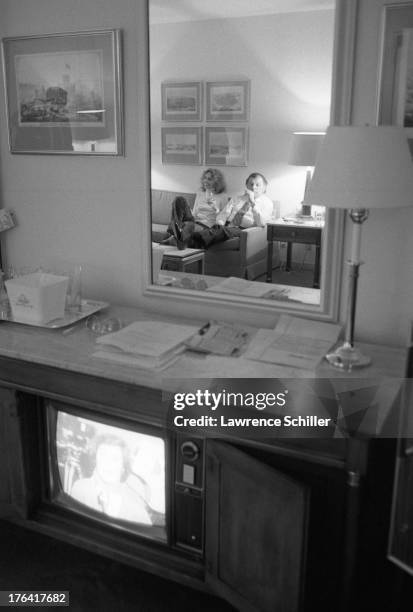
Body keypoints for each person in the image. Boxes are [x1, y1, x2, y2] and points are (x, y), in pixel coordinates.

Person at [70, 433, 152, 525]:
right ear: (95, 459)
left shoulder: (135, 506)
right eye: (103, 456)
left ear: (123, 466)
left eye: (114, 458)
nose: (107, 463)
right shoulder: (81, 487)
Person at [191, 172, 273, 248]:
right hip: (227, 226)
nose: (253, 187)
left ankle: (191, 240)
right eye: (251, 184)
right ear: (246, 185)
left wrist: (252, 203)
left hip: (243, 229)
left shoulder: (267, 203)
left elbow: (262, 223)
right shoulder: (237, 198)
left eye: (257, 185)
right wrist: (220, 223)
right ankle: (193, 242)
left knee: (221, 231)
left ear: (264, 187)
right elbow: (223, 214)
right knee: (219, 228)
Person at [161, 168, 228, 248]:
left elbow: (222, 217)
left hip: (206, 225)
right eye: (205, 178)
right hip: (195, 221)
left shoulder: (222, 196)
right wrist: (186, 213)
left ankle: (174, 238)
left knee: (186, 226)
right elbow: (195, 213)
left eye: (209, 179)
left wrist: (213, 206)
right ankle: (176, 235)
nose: (205, 181)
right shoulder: (200, 193)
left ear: (216, 182)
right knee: (179, 200)